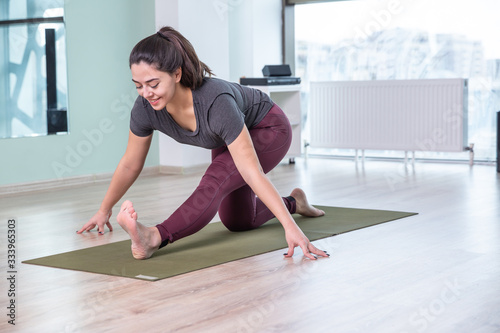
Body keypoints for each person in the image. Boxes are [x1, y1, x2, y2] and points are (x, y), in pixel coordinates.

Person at [77, 26, 329, 261]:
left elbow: (251, 171)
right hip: (228, 138)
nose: (146, 93)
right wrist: (104, 209)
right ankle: (296, 202)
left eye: (153, 84)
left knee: (215, 181)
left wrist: (291, 228)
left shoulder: (215, 103)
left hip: (268, 128)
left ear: (176, 74)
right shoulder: (145, 108)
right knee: (237, 221)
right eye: (138, 86)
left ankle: (154, 237)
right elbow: (130, 163)